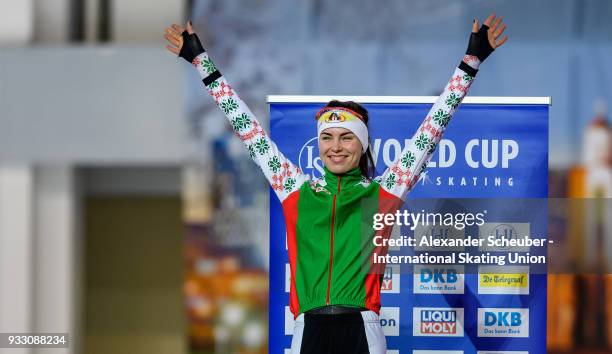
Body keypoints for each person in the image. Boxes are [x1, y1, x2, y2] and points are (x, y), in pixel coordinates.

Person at [165, 14, 507, 354]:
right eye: (327, 138)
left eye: (346, 137)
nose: (336, 146)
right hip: (308, 329)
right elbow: (246, 128)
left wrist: (470, 64)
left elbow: (432, 129)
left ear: (362, 145)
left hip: (362, 328)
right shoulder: (294, 189)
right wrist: (201, 61)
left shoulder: (384, 191)